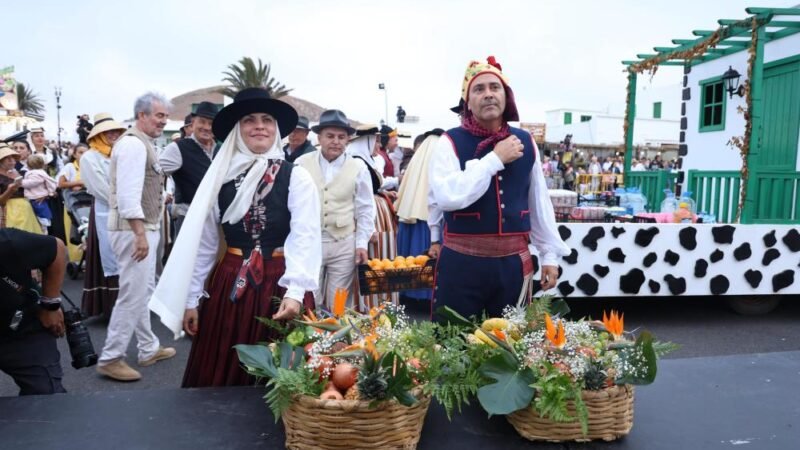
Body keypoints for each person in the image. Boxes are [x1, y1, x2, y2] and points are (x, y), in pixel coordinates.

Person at [149, 87, 321, 387]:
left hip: (281, 281)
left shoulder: (296, 176)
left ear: (276, 128)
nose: (259, 126)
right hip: (232, 282)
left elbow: (305, 237)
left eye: (267, 119)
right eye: (249, 120)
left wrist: (295, 292)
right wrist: (191, 299)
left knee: (286, 376)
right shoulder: (220, 179)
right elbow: (204, 245)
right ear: (238, 131)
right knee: (224, 368)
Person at [428, 56, 570, 319]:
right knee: (452, 345)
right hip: (461, 264)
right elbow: (447, 197)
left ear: (507, 96)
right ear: (467, 102)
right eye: (479, 89)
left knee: (510, 347)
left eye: (495, 87)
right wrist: (494, 159)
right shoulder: (449, 141)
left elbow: (538, 202)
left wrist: (549, 255)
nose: (488, 94)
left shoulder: (526, 141)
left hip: (511, 266)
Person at [96, 92, 176, 382]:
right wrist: (140, 233)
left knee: (141, 290)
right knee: (132, 294)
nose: (163, 121)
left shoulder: (140, 144)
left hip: (140, 229)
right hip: (134, 231)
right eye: (159, 116)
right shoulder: (133, 144)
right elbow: (129, 196)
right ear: (141, 115)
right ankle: (111, 357)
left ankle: (147, 347)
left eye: (165, 116)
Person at [296, 110, 375, 310]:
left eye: (341, 137)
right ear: (319, 138)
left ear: (348, 140)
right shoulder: (300, 164)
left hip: (343, 243)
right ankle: (307, 341)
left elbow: (365, 208)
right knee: (309, 300)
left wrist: (361, 244)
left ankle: (338, 341)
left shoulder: (359, 167)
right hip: (310, 242)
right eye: (330, 136)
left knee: (339, 304)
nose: (336, 141)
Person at [0, 228, 68, 395]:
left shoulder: (7, 243)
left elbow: (57, 249)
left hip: (19, 325)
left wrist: (50, 305)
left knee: (48, 398)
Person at [346, 125, 399, 308]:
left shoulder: (365, 160)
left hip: (378, 213)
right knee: (370, 261)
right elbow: (362, 200)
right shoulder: (358, 162)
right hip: (371, 217)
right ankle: (367, 306)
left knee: (379, 260)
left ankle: (379, 304)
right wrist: (371, 228)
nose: (378, 144)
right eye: (375, 140)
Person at [81, 113, 126, 318]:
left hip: (127, 211)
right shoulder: (90, 157)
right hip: (107, 211)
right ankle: (111, 308)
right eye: (108, 131)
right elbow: (100, 189)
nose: (114, 134)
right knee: (110, 258)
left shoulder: (121, 153)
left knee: (127, 257)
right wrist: (126, 203)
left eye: (116, 130)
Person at [395, 130, 443, 301]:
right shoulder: (440, 158)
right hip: (432, 220)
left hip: (412, 214)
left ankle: (410, 294)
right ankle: (427, 296)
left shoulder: (416, 161)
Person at [160, 101, 220, 236]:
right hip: (189, 219)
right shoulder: (178, 148)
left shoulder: (220, 150)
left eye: (211, 124)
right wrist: (162, 197)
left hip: (215, 222)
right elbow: (154, 174)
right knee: (184, 257)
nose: (206, 127)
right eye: (202, 122)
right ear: (193, 123)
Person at [0, 144, 42, 233]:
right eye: (7, 158)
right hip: (9, 211)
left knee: (31, 237)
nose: (12, 161)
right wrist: (9, 190)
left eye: (13, 157)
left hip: (25, 209)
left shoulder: (16, 173)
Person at [22, 155, 58, 233]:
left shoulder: (36, 174)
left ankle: (44, 221)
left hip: (37, 195)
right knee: (39, 208)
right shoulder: (40, 172)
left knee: (40, 208)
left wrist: (21, 183)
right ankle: (43, 222)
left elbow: (33, 182)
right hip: (37, 195)